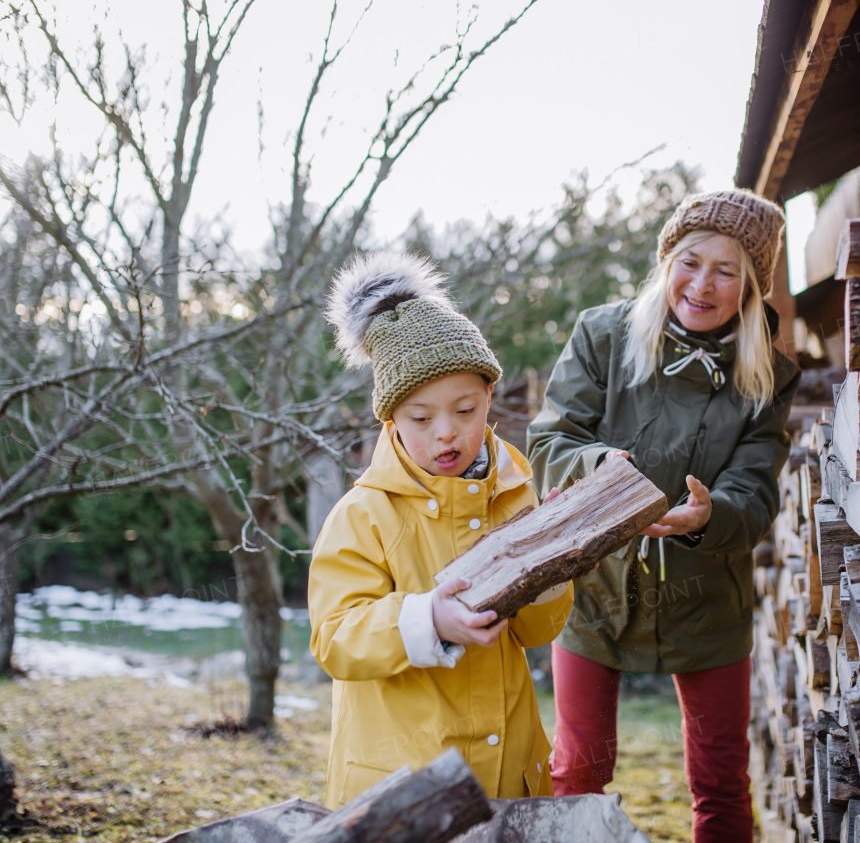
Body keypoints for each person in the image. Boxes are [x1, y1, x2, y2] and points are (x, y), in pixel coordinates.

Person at [527, 189, 801, 842]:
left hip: (707, 601)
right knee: (579, 769)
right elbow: (549, 441)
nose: (701, 284)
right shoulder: (603, 335)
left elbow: (755, 493)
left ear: (750, 287)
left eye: (726, 270)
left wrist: (709, 516)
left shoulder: (768, 378)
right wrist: (598, 470)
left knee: (720, 782)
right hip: (595, 590)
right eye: (690, 260)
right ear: (666, 261)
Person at [308, 252, 573, 808]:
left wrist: (553, 562)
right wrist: (427, 619)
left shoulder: (516, 492)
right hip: (402, 788)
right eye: (421, 419)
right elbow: (334, 637)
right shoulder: (364, 514)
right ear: (391, 421)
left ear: (490, 399)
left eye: (466, 410)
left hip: (506, 777)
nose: (446, 434)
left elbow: (537, 633)